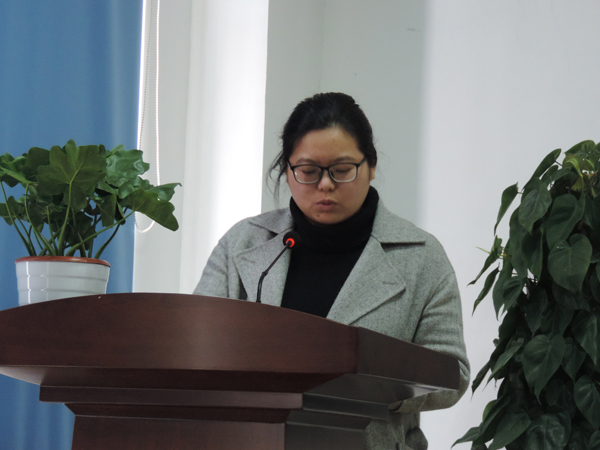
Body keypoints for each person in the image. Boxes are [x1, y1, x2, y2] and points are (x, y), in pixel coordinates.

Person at [194, 92, 469, 450]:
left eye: (341, 170)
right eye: (308, 171)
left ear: (371, 166)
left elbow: (453, 373)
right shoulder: (243, 244)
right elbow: (195, 346)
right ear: (287, 171)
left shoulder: (421, 257)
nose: (325, 185)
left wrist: (365, 386)